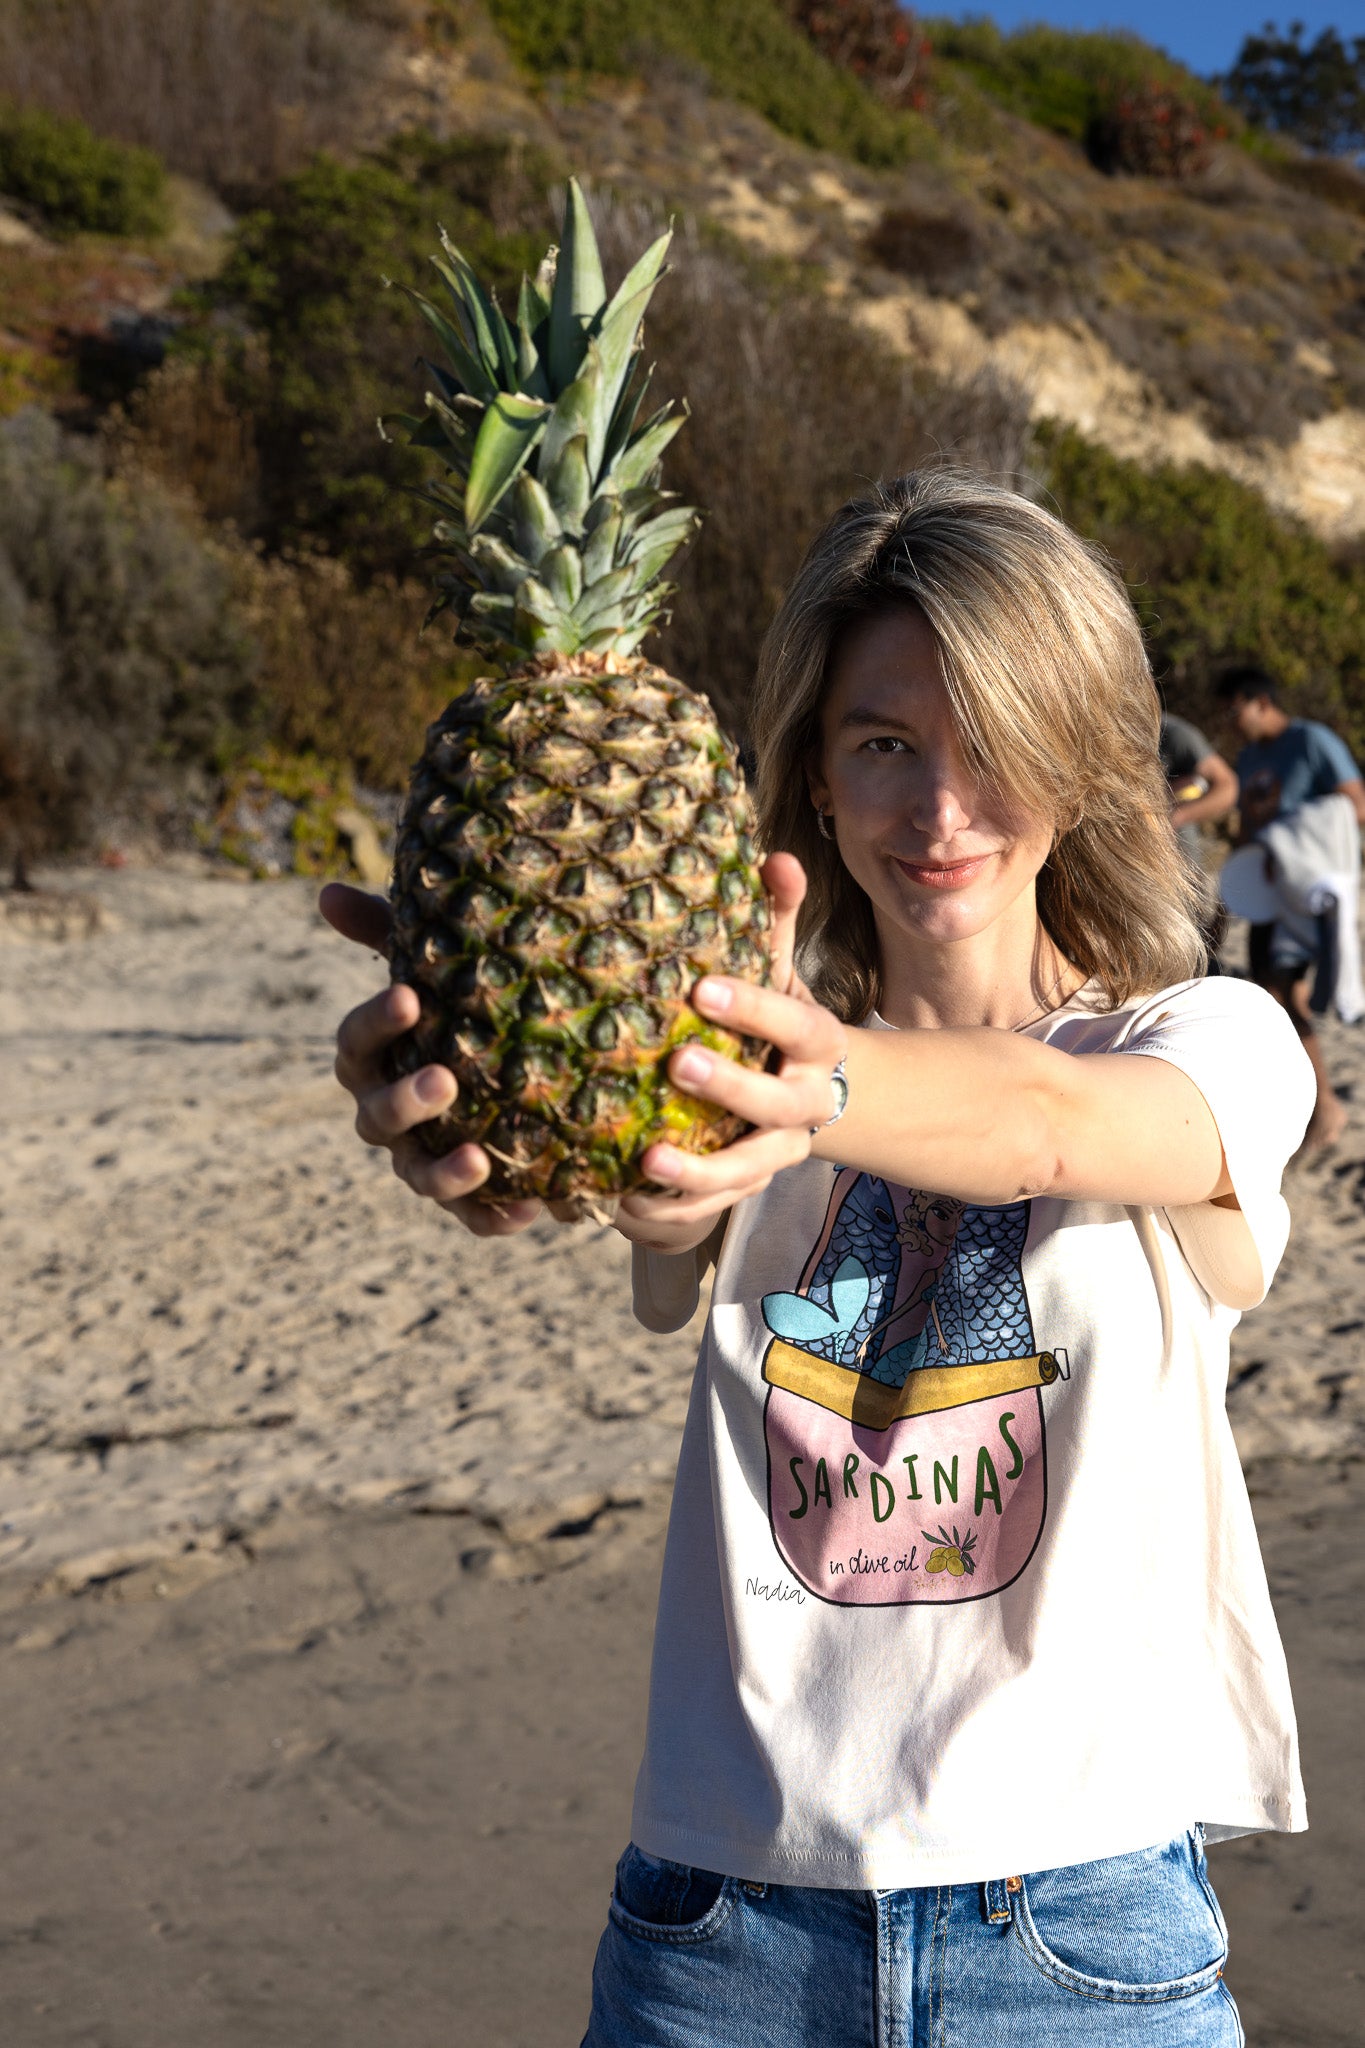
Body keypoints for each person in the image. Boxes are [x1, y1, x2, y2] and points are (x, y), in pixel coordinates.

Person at [324, 472, 1313, 2046]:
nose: (939, 813)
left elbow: (1052, 1125)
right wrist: (492, 1113)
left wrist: (809, 1088)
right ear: (814, 777)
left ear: (1079, 756)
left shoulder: (1208, 1042)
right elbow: (662, 1208)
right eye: (883, 745)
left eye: (993, 746)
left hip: (1073, 1934)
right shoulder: (717, 1064)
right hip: (721, 1931)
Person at [1217, 665, 1365, 1149]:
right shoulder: (1248, 758)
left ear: (1258, 701)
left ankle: (1324, 1108)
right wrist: (1236, 884)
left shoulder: (1310, 740)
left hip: (1305, 896)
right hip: (1266, 896)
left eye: (1234, 709)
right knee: (1279, 996)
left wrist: (1290, 841)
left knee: (1279, 996)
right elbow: (1244, 828)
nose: (1231, 720)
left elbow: (1354, 804)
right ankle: (1312, 1105)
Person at [1159, 710, 1237, 969]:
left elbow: (1226, 785)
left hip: (1180, 868)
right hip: (1125, 870)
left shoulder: (1171, 732)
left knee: (1190, 953)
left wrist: (1176, 815)